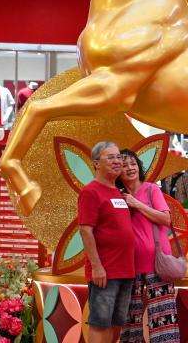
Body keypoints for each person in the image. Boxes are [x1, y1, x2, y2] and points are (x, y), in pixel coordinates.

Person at [118, 149, 180, 343]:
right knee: (130, 320)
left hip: (157, 262)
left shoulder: (151, 189)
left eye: (133, 164)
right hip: (130, 265)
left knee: (163, 318)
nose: (130, 168)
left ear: (139, 167)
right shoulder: (117, 196)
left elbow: (166, 219)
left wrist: (137, 204)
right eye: (124, 165)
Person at [78, 142, 136, 343]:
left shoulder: (119, 192)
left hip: (125, 269)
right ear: (96, 163)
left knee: (115, 324)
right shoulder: (91, 191)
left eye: (119, 157)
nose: (117, 161)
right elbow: (85, 230)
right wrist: (96, 266)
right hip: (105, 271)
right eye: (110, 157)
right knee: (100, 323)